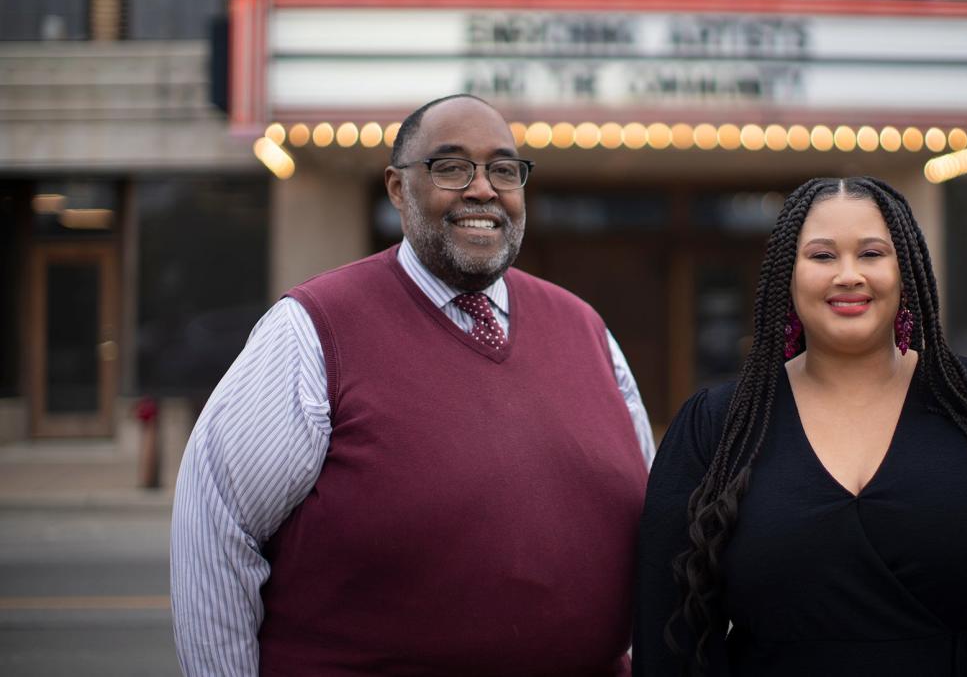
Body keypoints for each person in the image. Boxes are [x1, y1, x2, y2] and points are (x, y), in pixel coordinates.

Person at [172, 94, 655, 676]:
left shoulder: (586, 328)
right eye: (451, 167)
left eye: (504, 169)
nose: (483, 190)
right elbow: (218, 529)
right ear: (398, 189)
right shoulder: (315, 328)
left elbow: (648, 521)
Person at [634, 176, 967, 676]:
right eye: (821, 256)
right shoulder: (716, 425)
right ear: (785, 275)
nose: (848, 275)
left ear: (905, 270)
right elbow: (671, 639)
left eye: (871, 254)